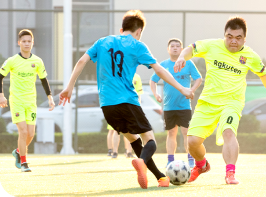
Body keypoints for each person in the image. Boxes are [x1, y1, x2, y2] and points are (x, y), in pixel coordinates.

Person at [58, 10, 194, 189]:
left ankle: (160, 177)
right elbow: (159, 70)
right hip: (128, 101)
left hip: (107, 105)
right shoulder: (138, 46)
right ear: (138, 31)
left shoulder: (102, 41)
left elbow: (81, 62)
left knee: (133, 140)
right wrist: (183, 88)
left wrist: (68, 87)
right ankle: (142, 162)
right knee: (150, 140)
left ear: (122, 29)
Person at [174, 16, 266, 184]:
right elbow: (192, 48)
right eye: (230, 36)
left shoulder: (250, 55)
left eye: (238, 38)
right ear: (224, 35)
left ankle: (230, 173)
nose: (233, 41)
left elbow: (265, 75)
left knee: (228, 132)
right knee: (192, 142)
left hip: (232, 102)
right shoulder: (212, 45)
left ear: (244, 38)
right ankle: (201, 165)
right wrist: (182, 56)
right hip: (208, 102)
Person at [0, 29, 55, 172]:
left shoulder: (37, 61)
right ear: (19, 43)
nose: (26, 43)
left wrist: (50, 98)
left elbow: (44, 80)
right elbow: (0, 76)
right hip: (17, 101)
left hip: (31, 102)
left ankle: (18, 152)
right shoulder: (12, 60)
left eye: (29, 41)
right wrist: (1, 95)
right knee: (23, 132)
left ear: (33, 43)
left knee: (31, 134)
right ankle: (24, 163)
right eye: (24, 41)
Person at [150, 38, 202, 168]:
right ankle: (170, 160)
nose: (175, 48)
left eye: (178, 46)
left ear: (182, 49)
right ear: (168, 49)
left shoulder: (188, 63)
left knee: (186, 133)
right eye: (172, 46)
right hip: (169, 106)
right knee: (171, 133)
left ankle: (190, 159)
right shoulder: (163, 65)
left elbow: (198, 78)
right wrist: (156, 93)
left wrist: (192, 90)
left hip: (184, 106)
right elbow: (153, 80)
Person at [107, 73, 143, 158]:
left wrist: (138, 106)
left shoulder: (137, 77)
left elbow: (138, 94)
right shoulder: (117, 74)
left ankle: (129, 152)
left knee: (130, 130)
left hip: (131, 107)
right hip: (118, 106)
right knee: (116, 130)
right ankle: (114, 152)